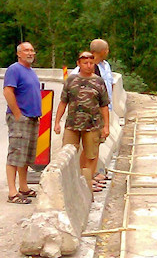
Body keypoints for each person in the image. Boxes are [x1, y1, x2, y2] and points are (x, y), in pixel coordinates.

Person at [53, 51, 109, 194]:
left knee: (91, 155)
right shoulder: (70, 81)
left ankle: (87, 184)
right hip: (72, 125)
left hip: (92, 125)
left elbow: (104, 105)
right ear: (79, 64)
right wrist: (57, 122)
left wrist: (106, 126)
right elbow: (63, 102)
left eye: (91, 63)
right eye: (85, 63)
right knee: (67, 154)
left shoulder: (98, 82)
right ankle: (71, 183)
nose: (88, 66)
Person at [71, 38, 114, 189]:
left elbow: (109, 87)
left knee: (96, 146)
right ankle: (86, 178)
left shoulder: (105, 66)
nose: (108, 52)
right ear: (100, 51)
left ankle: (92, 174)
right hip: (89, 115)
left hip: (103, 110)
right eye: (106, 49)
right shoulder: (82, 71)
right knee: (89, 147)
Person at [3, 42, 42, 204]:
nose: (30, 53)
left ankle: (23, 187)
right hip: (21, 118)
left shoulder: (31, 71)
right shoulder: (14, 69)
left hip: (32, 118)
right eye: (26, 50)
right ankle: (12, 192)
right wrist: (18, 114)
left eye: (32, 50)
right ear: (19, 54)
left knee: (25, 156)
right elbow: (8, 91)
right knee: (16, 154)